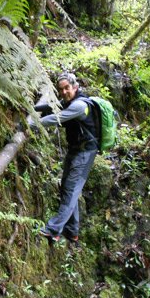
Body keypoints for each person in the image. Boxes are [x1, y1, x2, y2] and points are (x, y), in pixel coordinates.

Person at [29, 72, 99, 244]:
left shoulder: (80, 106)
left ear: (75, 87)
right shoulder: (69, 102)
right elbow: (51, 107)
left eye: (67, 88)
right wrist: (31, 108)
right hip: (75, 150)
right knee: (67, 188)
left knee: (70, 190)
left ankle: (53, 229)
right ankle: (72, 231)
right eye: (61, 89)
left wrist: (30, 124)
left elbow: (55, 118)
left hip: (84, 154)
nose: (64, 92)